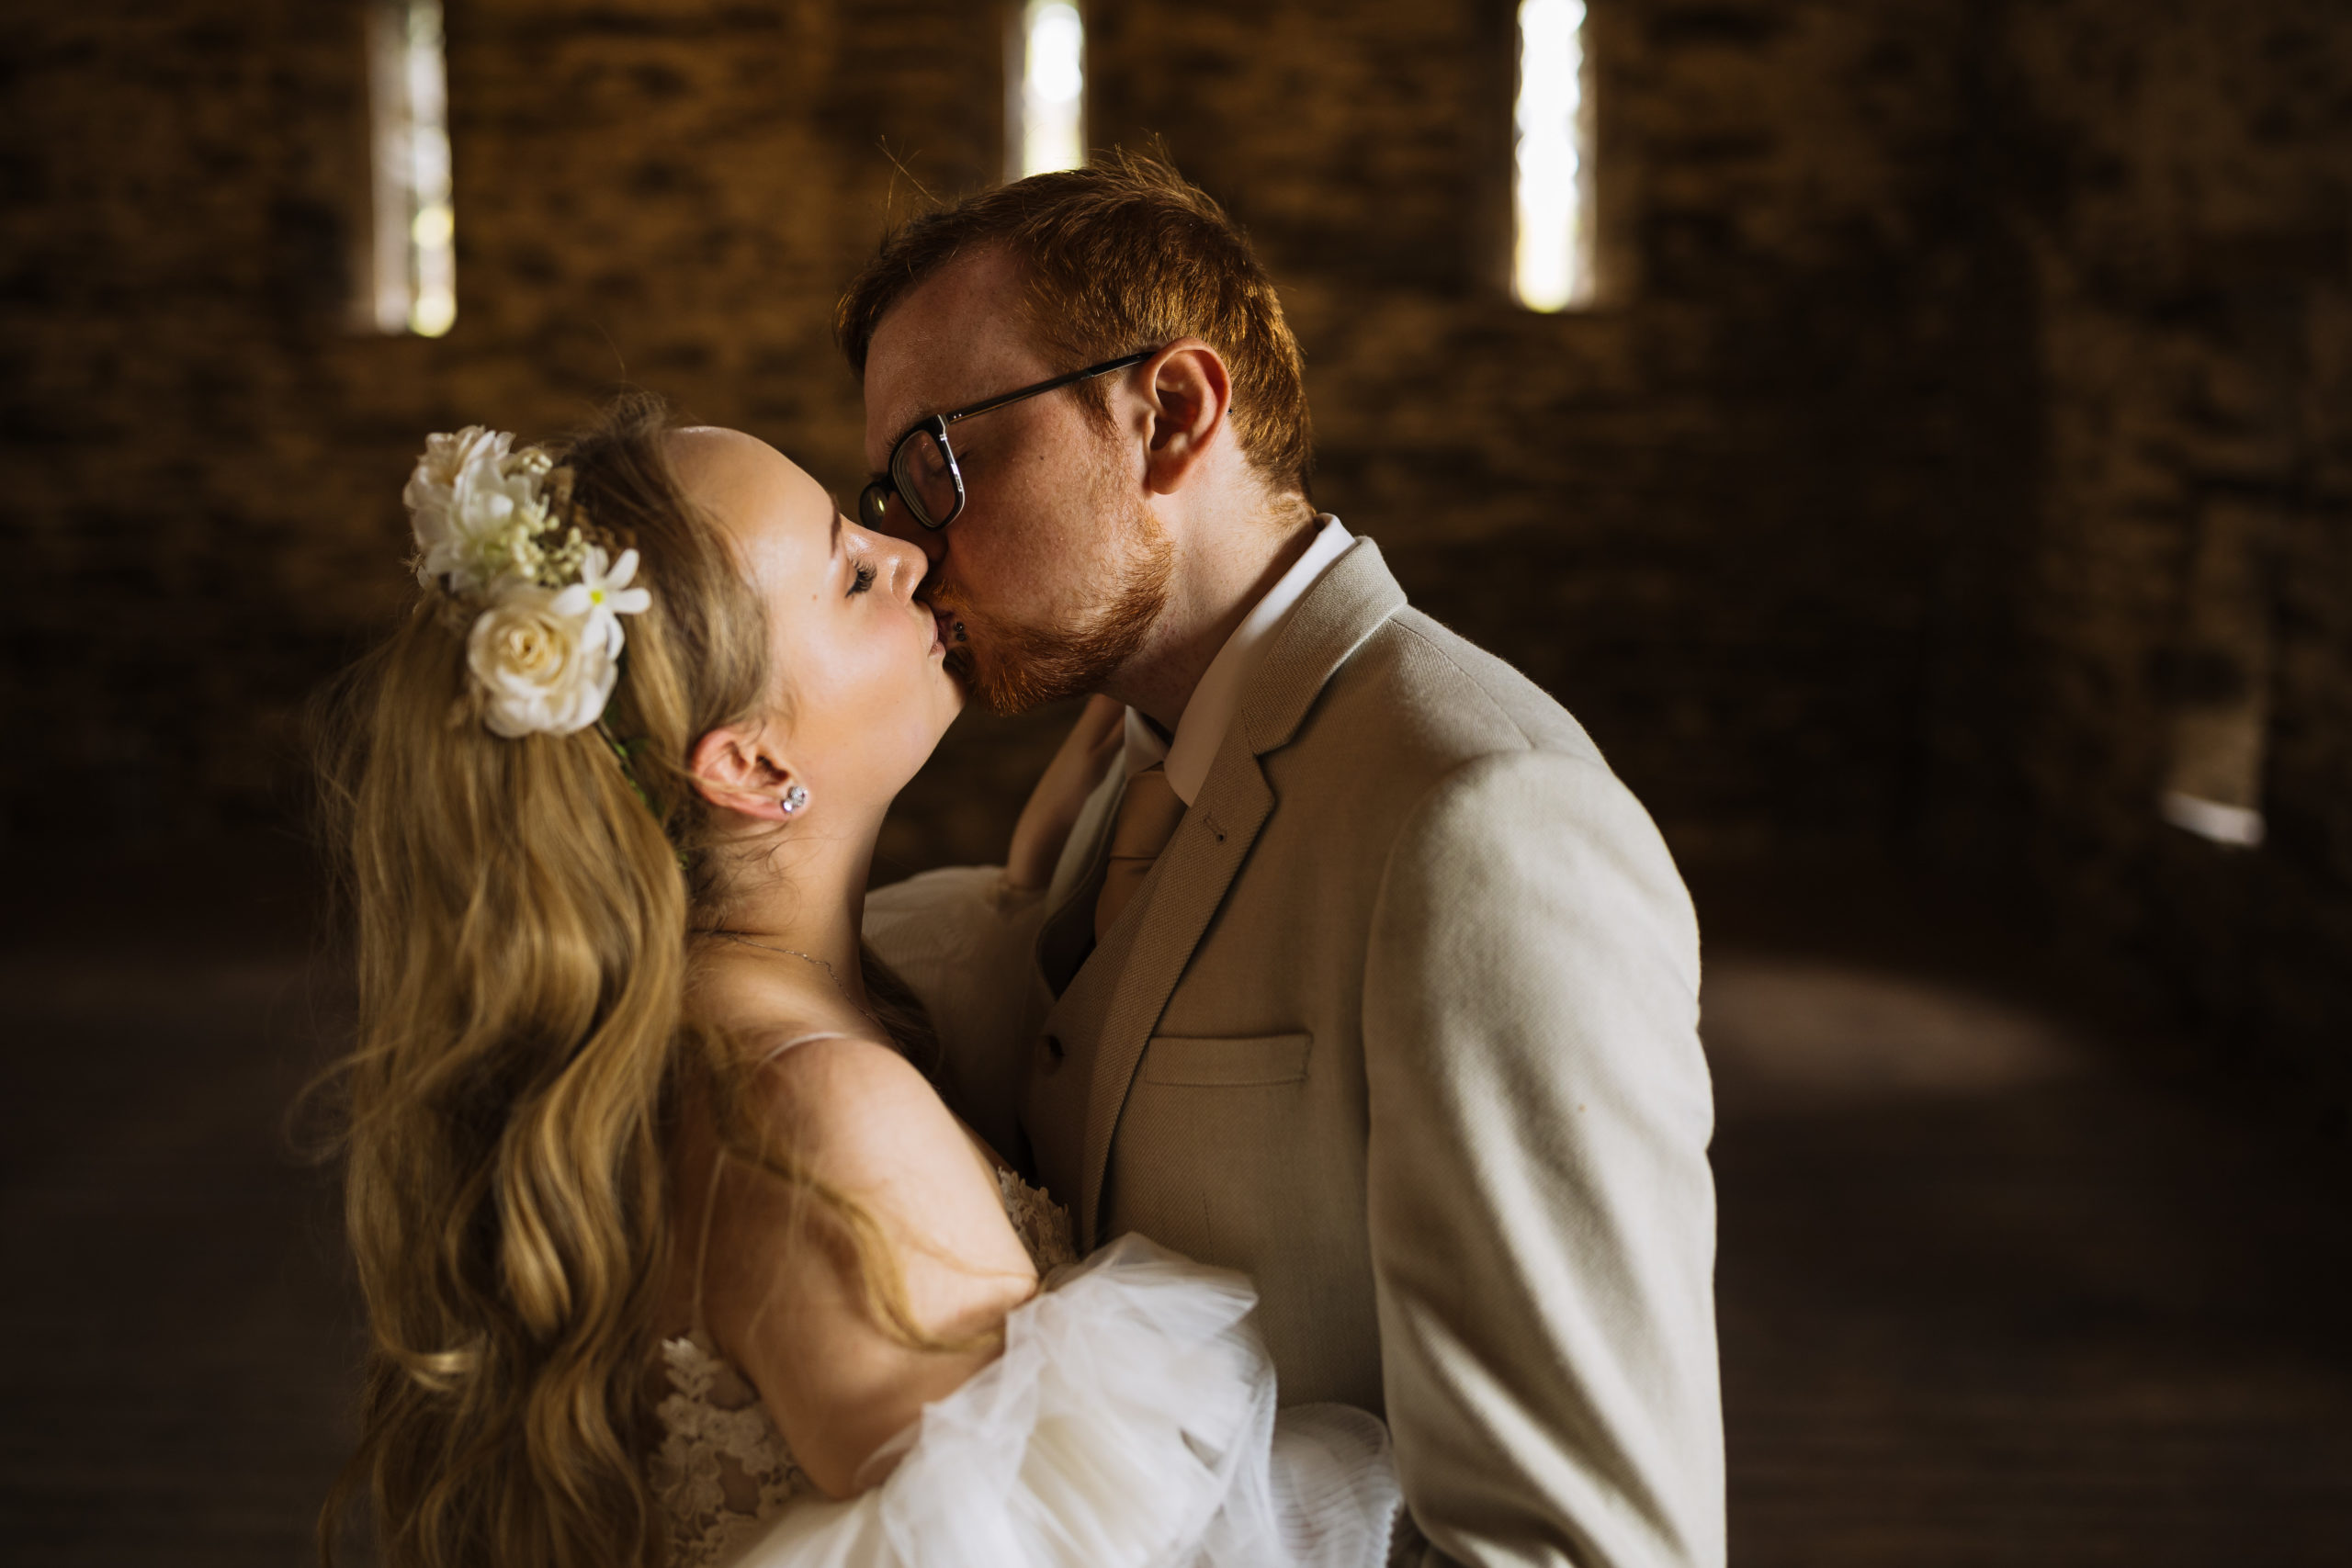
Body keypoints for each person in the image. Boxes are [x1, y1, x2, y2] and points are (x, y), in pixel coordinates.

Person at [316, 397, 1399, 1568]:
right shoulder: (811, 1112)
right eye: (849, 577)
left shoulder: (668, 1031)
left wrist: (1061, 877)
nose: (910, 552)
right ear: (749, 762)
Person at [846, 153, 1725, 1568]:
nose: (909, 547)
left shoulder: (1484, 815)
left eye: (941, 460)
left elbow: (1576, 1542)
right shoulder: (1111, 759)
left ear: (1170, 414)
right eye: (890, 490)